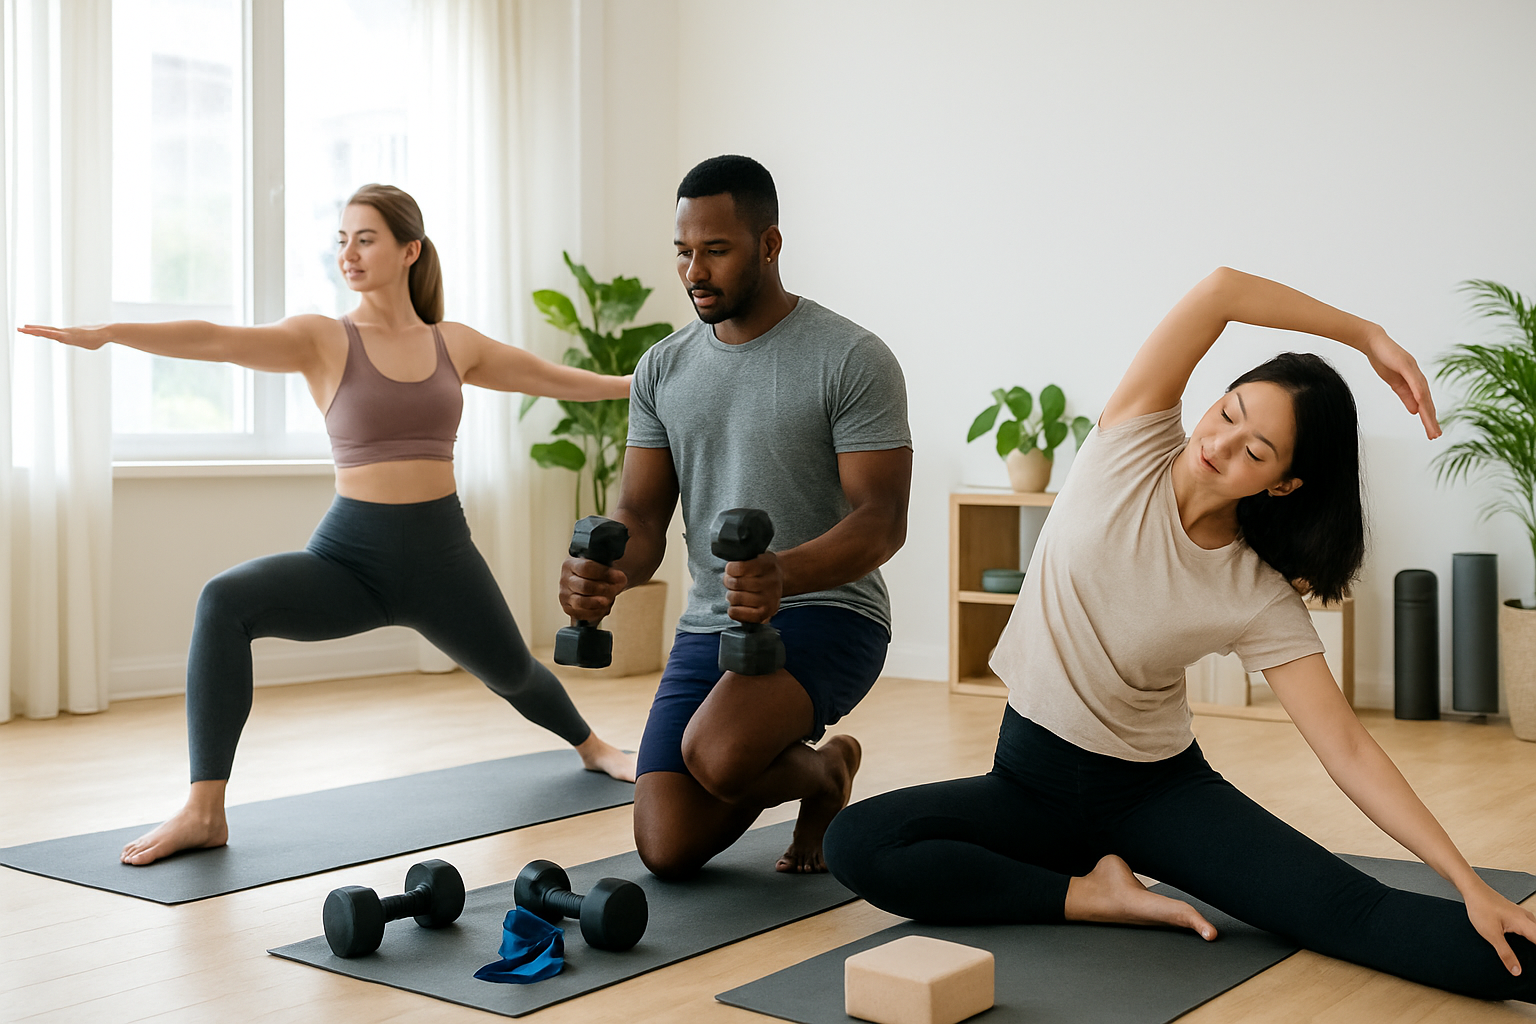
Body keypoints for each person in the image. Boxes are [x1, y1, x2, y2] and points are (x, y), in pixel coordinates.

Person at [823, 267, 1536, 1001]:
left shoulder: (1255, 591)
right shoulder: (1131, 440)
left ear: (1283, 485)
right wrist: (1367, 337)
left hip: (1156, 795)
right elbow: (1222, 291)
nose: (1221, 444)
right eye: (1228, 413)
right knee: (858, 843)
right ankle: (1091, 894)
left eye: (1257, 452)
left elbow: (1348, 750)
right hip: (1026, 781)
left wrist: (1469, 883)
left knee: (1348, 911)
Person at [21, 184, 636, 867]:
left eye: (365, 238)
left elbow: (550, 378)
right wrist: (112, 334)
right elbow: (219, 341)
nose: (348, 253)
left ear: (410, 250)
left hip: (443, 560)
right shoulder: (324, 339)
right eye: (341, 239)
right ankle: (203, 809)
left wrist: (649, 383)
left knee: (516, 673)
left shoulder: (452, 343)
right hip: (350, 561)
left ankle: (594, 747)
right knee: (224, 601)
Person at [559, 155, 912, 878]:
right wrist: (608, 573)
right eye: (684, 252)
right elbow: (643, 516)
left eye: (716, 250)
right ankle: (826, 772)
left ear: (770, 244)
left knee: (717, 757)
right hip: (713, 623)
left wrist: (785, 572)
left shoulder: (851, 358)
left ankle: (798, 761)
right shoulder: (662, 368)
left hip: (829, 612)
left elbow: (882, 521)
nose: (695, 271)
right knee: (667, 847)